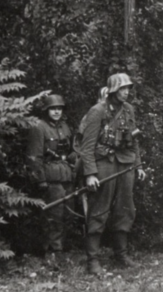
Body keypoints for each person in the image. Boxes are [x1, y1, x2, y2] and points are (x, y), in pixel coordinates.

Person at [79, 73, 146, 274]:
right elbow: (87, 146)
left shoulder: (129, 110)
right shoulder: (97, 111)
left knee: (125, 209)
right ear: (113, 90)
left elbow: (133, 140)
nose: (126, 92)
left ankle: (121, 254)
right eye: (122, 88)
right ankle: (93, 260)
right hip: (104, 163)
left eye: (128, 88)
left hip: (126, 163)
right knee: (99, 210)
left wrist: (139, 165)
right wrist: (90, 173)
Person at [26, 94, 75, 265]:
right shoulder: (39, 127)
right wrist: (40, 180)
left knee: (68, 213)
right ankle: (52, 252)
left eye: (59, 108)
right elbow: (34, 157)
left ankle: (61, 249)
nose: (56, 111)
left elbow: (70, 151)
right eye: (53, 108)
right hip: (49, 176)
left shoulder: (64, 127)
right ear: (46, 110)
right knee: (54, 214)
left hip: (66, 175)